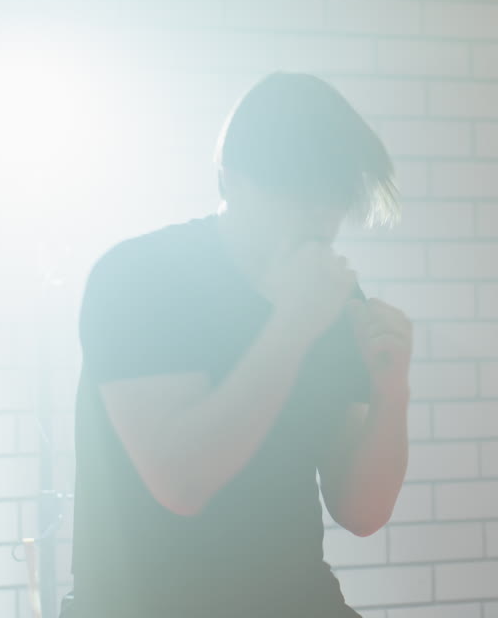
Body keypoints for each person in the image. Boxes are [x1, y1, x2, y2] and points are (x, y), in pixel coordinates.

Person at [67, 72, 414, 617]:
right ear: (230, 180)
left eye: (334, 200)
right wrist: (293, 324)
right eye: (296, 196)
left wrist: (392, 394)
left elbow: (362, 511)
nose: (319, 219)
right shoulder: (138, 279)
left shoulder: (331, 297)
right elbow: (183, 481)